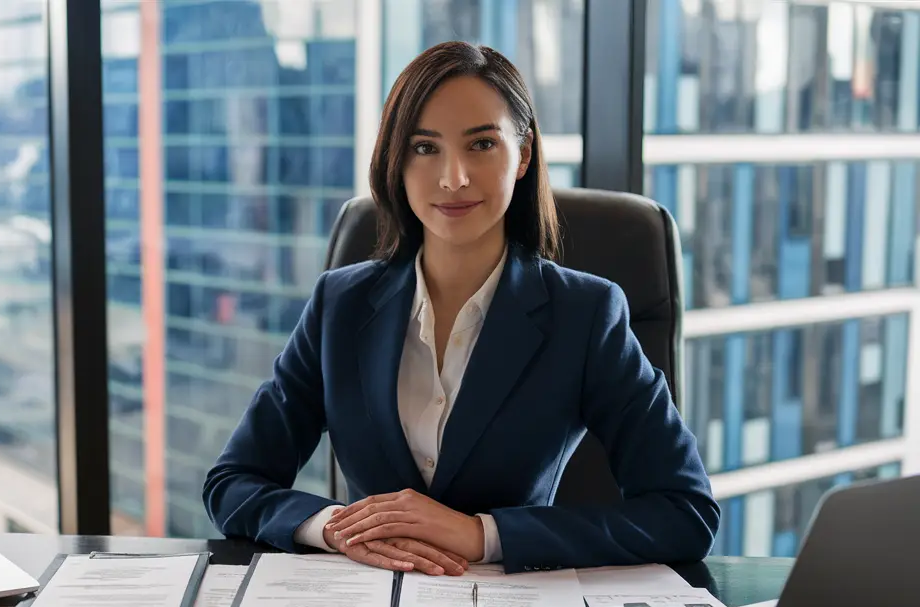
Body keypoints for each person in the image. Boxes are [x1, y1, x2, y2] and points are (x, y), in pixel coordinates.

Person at [203, 41, 719, 576]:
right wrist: (334, 527)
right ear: (395, 161)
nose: (453, 178)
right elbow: (233, 482)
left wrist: (483, 534)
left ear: (522, 155)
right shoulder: (341, 304)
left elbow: (685, 512)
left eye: (481, 145)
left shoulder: (584, 314)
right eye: (425, 148)